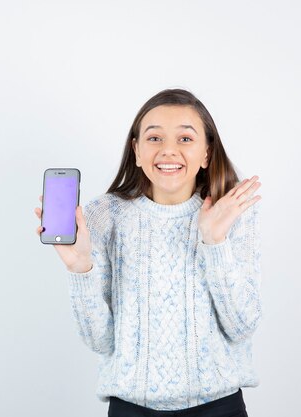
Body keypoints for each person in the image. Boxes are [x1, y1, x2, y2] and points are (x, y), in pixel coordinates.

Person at [34, 88, 262, 417]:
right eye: (154, 138)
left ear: (207, 154)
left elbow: (242, 326)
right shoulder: (103, 216)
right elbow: (99, 341)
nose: (168, 151)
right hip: (131, 409)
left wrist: (215, 242)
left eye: (185, 139)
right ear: (137, 151)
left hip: (218, 408)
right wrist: (80, 266)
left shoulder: (233, 212)